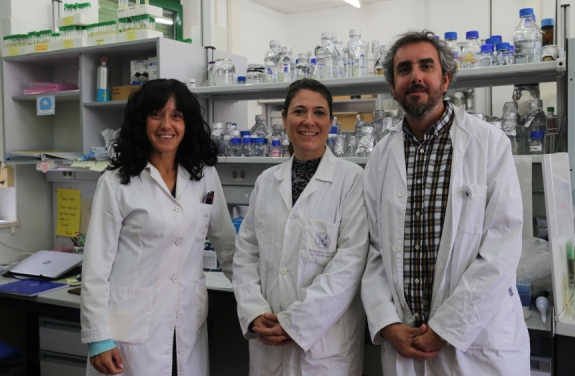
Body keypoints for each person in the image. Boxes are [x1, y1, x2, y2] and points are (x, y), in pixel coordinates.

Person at [361, 30, 530, 375]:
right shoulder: (380, 158)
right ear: (392, 86)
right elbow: (373, 252)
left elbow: (501, 249)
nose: (416, 77)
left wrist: (445, 329)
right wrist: (387, 323)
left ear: (446, 78)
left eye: (427, 66)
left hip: (475, 346)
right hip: (404, 344)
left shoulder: (489, 144)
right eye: (404, 69)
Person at [80, 79, 236, 376]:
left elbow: (228, 247)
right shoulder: (116, 183)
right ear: (142, 122)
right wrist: (98, 338)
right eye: (157, 114)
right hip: (131, 331)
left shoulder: (205, 177)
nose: (167, 125)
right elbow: (95, 268)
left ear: (187, 123)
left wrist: (256, 302)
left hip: (186, 321)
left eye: (176, 116)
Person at [232, 78, 369, 375]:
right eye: (299, 111)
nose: (309, 121)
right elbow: (246, 255)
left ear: (331, 121)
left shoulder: (352, 180)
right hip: (267, 339)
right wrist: (255, 313)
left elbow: (350, 264)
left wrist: (295, 323)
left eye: (319, 113)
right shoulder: (267, 181)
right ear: (283, 118)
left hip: (324, 348)